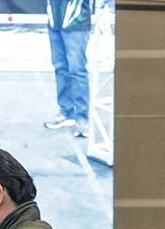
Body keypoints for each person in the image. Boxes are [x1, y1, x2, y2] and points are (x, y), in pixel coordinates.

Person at [43, 0, 92, 138]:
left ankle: (82, 118)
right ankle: (66, 111)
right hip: (55, 20)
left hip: (75, 22)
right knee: (60, 68)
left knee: (77, 70)